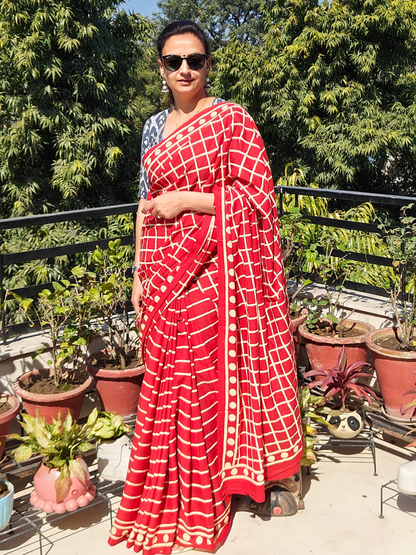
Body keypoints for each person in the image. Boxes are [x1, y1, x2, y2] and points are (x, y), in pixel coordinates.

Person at [108, 20, 303, 555]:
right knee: (167, 386)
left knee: (208, 383)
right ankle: (181, 488)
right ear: (161, 68)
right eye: (174, 62)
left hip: (216, 272)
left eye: (195, 60)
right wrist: (137, 275)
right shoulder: (151, 129)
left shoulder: (231, 120)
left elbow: (260, 202)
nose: (185, 70)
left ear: (208, 64)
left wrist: (190, 202)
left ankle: (219, 488)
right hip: (161, 269)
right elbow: (143, 205)